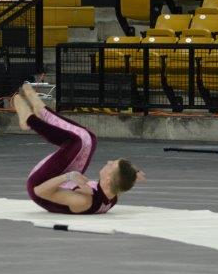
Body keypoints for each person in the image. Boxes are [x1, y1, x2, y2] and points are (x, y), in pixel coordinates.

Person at [13, 83, 143, 214]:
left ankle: (31, 119)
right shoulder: (112, 193)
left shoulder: (84, 201)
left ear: (108, 179)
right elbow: (122, 183)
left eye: (111, 165)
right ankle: (41, 111)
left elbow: (39, 191)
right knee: (90, 139)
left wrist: (68, 177)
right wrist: (133, 174)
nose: (108, 162)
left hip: (39, 184)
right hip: (61, 181)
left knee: (75, 142)